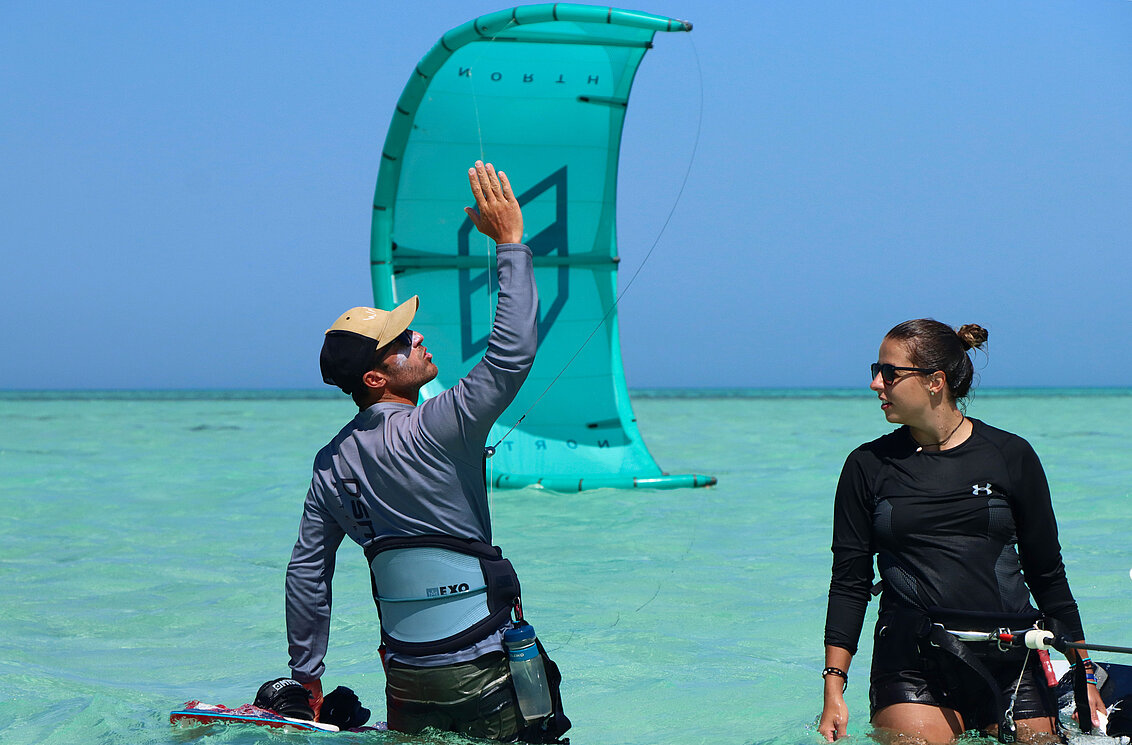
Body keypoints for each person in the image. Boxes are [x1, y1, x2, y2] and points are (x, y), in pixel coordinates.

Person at [284, 161, 569, 742]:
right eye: (400, 340)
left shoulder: (328, 465)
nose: (417, 336)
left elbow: (309, 573)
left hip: (407, 680)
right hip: (485, 670)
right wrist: (511, 244)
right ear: (373, 377)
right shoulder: (441, 425)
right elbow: (510, 356)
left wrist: (307, 681)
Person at [819, 319, 1106, 745]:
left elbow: (1047, 573)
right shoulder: (867, 466)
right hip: (912, 662)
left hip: (1013, 656)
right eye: (875, 370)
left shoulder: (1011, 456)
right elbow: (849, 582)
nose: (877, 384)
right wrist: (833, 689)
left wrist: (1084, 673)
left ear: (935, 381)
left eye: (890, 372)